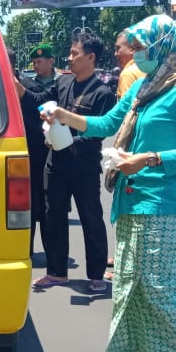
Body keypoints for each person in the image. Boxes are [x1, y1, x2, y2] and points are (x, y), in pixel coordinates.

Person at [42, 15, 176, 352]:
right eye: (133, 48)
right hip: (130, 200)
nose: (135, 55)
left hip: (161, 203)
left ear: (165, 47)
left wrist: (149, 159)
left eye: (140, 48)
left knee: (160, 292)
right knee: (138, 292)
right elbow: (106, 124)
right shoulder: (144, 87)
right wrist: (64, 115)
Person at [24, 33, 116, 293]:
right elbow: (38, 101)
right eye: (70, 53)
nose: (70, 58)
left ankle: (96, 274)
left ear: (91, 57)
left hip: (84, 167)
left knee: (91, 218)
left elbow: (98, 134)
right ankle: (56, 272)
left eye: (75, 54)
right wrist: (16, 85)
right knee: (53, 217)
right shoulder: (63, 82)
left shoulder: (103, 93)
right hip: (55, 164)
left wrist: (66, 139)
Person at [11, 44, 59, 258]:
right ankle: (24, 250)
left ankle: (50, 254)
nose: (36, 65)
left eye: (40, 61)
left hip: (37, 152)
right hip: (19, 153)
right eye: (34, 62)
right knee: (23, 208)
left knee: (44, 205)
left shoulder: (31, 87)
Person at [115, 29, 146, 99]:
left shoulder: (128, 74)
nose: (115, 54)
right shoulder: (150, 68)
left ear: (132, 49)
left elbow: (127, 108)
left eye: (118, 48)